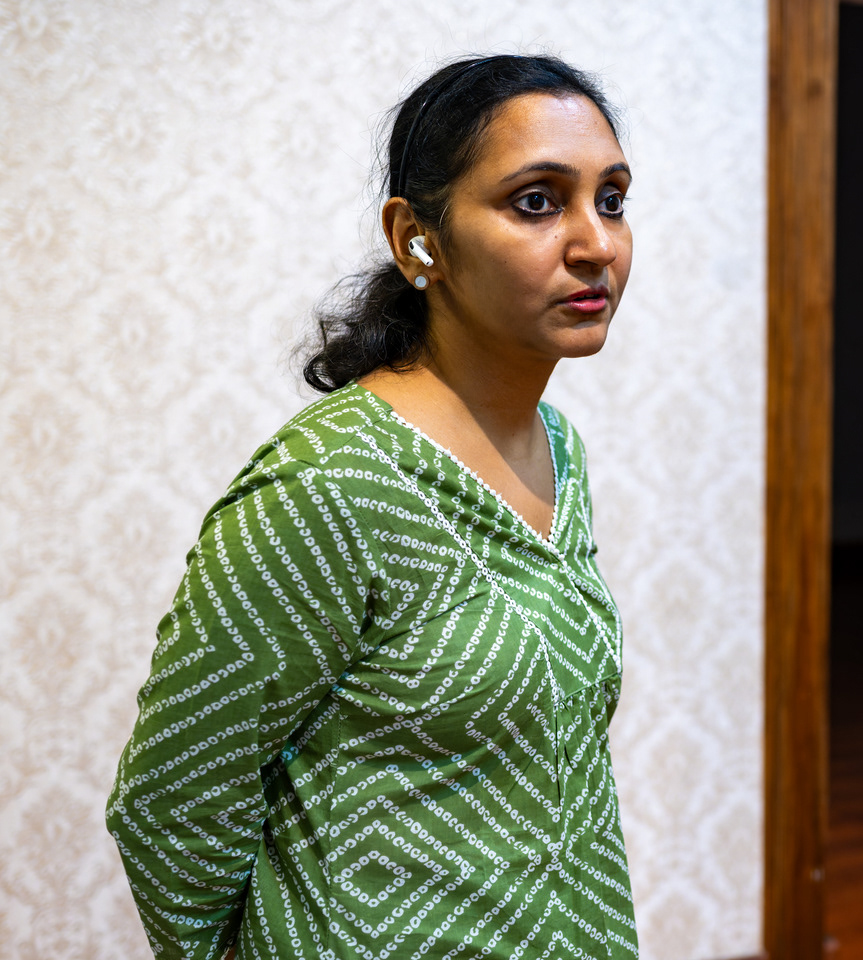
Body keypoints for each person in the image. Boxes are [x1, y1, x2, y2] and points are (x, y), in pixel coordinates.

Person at [106, 55, 637, 960]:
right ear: (417, 238)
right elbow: (172, 799)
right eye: (536, 202)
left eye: (612, 199)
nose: (596, 243)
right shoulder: (329, 483)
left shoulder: (559, 447)